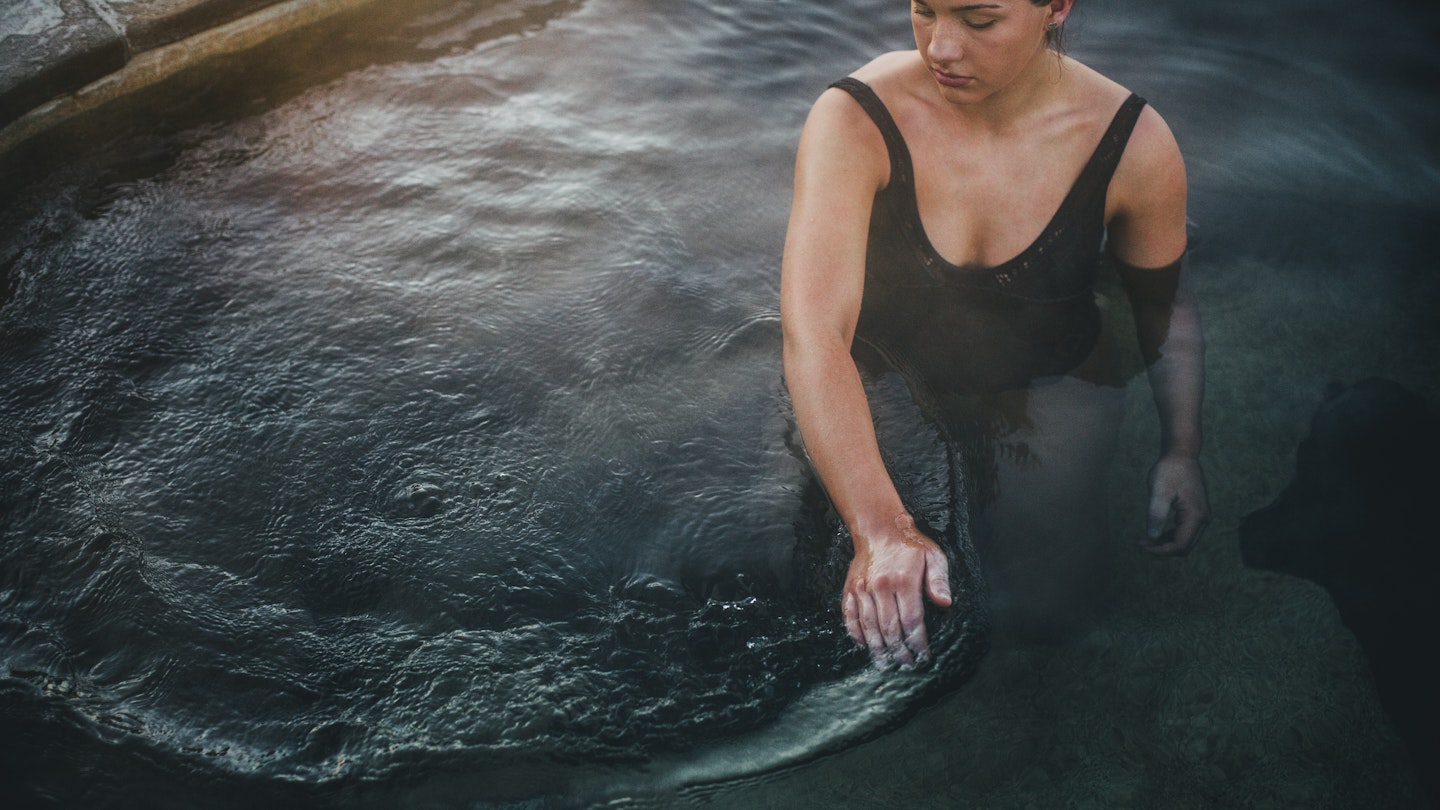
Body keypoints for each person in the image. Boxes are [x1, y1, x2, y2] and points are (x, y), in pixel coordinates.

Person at [780, 0, 1208, 667]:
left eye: (978, 21)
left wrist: (1181, 449)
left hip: (1045, 379)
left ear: (1056, 7)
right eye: (924, 10)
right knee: (833, 613)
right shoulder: (857, 117)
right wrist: (881, 529)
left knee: (1049, 612)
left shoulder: (1134, 143)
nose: (940, 48)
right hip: (888, 379)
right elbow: (816, 334)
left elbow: (1164, 305)